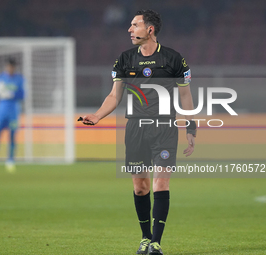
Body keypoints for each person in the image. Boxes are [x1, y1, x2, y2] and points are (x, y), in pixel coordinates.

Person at [81, 10, 196, 255]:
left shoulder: (174, 59)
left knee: (161, 183)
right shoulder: (124, 59)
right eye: (131, 26)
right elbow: (114, 95)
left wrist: (191, 126)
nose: (130, 29)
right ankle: (145, 238)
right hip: (135, 129)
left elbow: (185, 96)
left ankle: (156, 242)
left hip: (165, 128)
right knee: (140, 187)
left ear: (150, 29)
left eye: (135, 25)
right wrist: (97, 115)